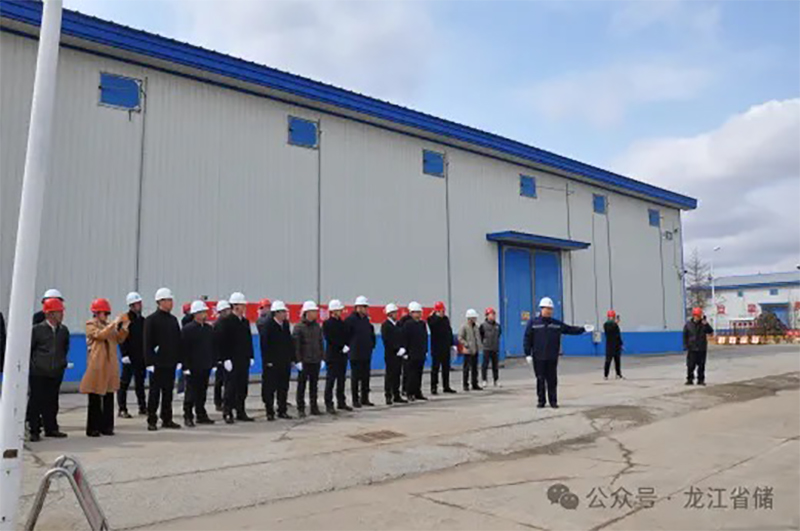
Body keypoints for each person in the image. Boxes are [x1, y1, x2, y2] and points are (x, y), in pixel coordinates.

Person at [523, 297, 588, 409]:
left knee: (552, 380)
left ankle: (553, 401)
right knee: (540, 379)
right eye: (546, 308)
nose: (548, 311)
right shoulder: (533, 323)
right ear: (541, 309)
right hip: (538, 357)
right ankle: (541, 401)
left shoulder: (556, 324)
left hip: (552, 357)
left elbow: (569, 329)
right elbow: (527, 338)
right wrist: (527, 353)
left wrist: (583, 329)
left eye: (550, 309)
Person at [80, 298, 129, 437]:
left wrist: (124, 327)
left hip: (110, 365)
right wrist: (114, 324)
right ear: (97, 313)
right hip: (97, 365)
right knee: (95, 397)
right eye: (104, 313)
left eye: (108, 313)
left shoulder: (109, 326)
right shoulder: (90, 325)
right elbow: (100, 335)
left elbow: (119, 339)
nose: (106, 316)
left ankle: (107, 427)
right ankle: (93, 428)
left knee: (109, 397)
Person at [27, 298, 70, 441]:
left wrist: (61, 364)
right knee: (36, 401)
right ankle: (34, 430)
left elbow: (64, 348)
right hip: (38, 372)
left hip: (56, 372)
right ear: (50, 314)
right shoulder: (37, 330)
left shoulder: (63, 331)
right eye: (59, 312)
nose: (62, 314)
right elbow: (30, 350)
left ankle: (51, 428)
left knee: (52, 401)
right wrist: (34, 365)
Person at [144, 287, 183, 431]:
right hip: (157, 363)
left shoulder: (173, 320)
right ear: (160, 302)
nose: (171, 303)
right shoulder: (151, 320)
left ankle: (167, 418)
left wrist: (179, 359)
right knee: (154, 392)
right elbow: (147, 343)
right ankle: (151, 420)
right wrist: (149, 362)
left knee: (168, 392)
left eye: (171, 300)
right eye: (168, 300)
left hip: (170, 362)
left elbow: (178, 341)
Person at [217, 292, 255, 423]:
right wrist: (225, 358)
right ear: (235, 306)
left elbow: (248, 340)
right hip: (231, 360)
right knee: (230, 387)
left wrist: (250, 355)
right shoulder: (226, 321)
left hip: (243, 359)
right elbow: (222, 341)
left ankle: (240, 411)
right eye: (242, 305)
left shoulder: (245, 322)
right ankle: (227, 411)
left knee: (242, 387)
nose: (244, 308)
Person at [181, 301, 216, 427]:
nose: (204, 314)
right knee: (191, 392)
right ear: (195, 314)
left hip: (205, 365)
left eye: (205, 312)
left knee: (202, 391)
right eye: (202, 312)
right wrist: (185, 366)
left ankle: (201, 414)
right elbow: (184, 349)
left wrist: (213, 362)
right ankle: (188, 415)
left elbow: (212, 347)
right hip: (192, 366)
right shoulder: (187, 329)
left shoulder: (208, 329)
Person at [260, 300, 293, 421]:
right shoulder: (268, 326)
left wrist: (292, 358)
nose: (285, 314)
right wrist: (268, 361)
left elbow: (289, 342)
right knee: (270, 388)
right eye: (283, 312)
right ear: (276, 313)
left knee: (283, 387)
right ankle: (269, 411)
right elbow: (264, 345)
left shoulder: (285, 325)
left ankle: (282, 410)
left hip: (284, 362)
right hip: (272, 363)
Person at [293, 301, 325, 418]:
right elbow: (296, 346)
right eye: (313, 311)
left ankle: (314, 407)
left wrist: (322, 357)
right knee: (301, 385)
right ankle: (301, 408)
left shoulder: (317, 327)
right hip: (304, 361)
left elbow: (320, 343)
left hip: (315, 360)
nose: (315, 314)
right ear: (307, 312)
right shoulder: (298, 327)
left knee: (314, 385)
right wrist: (298, 361)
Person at [118, 292, 146, 418]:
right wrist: (124, 354)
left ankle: (142, 407)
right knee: (124, 383)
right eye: (137, 303)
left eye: (140, 303)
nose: (140, 305)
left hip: (140, 357)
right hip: (129, 357)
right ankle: (122, 408)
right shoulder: (125, 320)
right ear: (131, 305)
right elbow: (121, 338)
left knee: (140, 383)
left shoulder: (142, 320)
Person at [346, 296, 376, 408]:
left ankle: (365, 398)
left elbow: (371, 334)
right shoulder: (350, 320)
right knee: (355, 377)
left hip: (366, 353)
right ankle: (355, 399)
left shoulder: (366, 320)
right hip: (355, 353)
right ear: (357, 307)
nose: (365, 309)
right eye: (364, 307)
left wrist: (371, 345)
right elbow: (347, 335)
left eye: (366, 307)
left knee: (365, 377)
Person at [323, 299, 352, 413]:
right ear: (333, 311)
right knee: (331, 380)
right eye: (338, 310)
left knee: (341, 380)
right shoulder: (327, 324)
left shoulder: (343, 323)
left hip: (342, 356)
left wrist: (347, 345)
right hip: (332, 356)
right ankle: (329, 403)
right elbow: (330, 338)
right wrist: (341, 346)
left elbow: (347, 335)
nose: (340, 312)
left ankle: (341, 402)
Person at [427, 301, 457, 395]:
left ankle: (446, 386)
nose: (443, 312)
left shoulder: (446, 319)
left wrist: (452, 344)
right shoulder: (432, 320)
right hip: (437, 348)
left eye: (443, 310)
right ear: (436, 311)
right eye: (441, 311)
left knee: (446, 368)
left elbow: (449, 331)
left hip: (446, 348)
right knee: (435, 369)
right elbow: (431, 325)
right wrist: (434, 316)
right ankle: (434, 387)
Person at [402, 301, 428, 401]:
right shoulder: (407, 324)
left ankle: (418, 392)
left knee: (418, 374)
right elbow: (405, 338)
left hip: (420, 352)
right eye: (416, 312)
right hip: (411, 353)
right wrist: (405, 352)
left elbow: (424, 338)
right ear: (411, 313)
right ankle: (410, 392)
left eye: (419, 312)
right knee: (411, 374)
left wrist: (425, 350)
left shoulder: (422, 324)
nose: (418, 314)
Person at [381, 303, 407, 405]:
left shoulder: (399, 324)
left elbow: (402, 336)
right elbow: (387, 340)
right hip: (390, 354)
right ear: (389, 314)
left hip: (399, 354)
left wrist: (403, 348)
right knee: (390, 375)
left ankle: (396, 395)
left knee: (397, 374)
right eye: (394, 312)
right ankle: (388, 395)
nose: (397, 314)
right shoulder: (386, 325)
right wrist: (396, 348)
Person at [684, 307, 714, 386]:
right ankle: (690, 379)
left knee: (701, 365)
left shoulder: (703, 324)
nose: (697, 317)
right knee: (690, 365)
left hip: (701, 348)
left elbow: (710, 331)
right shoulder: (688, 325)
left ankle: (700, 380)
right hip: (692, 348)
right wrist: (686, 345)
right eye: (696, 316)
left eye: (699, 316)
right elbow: (685, 335)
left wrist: (706, 324)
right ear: (693, 315)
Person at [212, 299, 232, 411]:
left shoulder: (229, 323)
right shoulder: (218, 325)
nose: (228, 312)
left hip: (228, 357)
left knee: (228, 381)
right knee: (219, 381)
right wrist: (218, 359)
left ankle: (226, 401)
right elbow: (216, 343)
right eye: (226, 310)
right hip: (220, 358)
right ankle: (218, 402)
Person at [458, 309, 483, 391]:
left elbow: (478, 337)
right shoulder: (464, 327)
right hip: (467, 351)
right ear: (470, 318)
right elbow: (460, 338)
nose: (475, 319)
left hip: (475, 350)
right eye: (474, 317)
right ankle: (465, 384)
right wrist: (466, 344)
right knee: (466, 369)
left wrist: (479, 346)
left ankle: (474, 383)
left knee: (475, 369)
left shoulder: (476, 327)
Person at [479, 307, 502, 387]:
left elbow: (499, 334)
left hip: (495, 348)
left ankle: (496, 380)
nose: (493, 316)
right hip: (486, 348)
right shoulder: (483, 326)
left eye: (493, 314)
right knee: (485, 365)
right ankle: (484, 380)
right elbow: (481, 336)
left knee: (495, 365)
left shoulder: (497, 326)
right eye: (491, 314)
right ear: (487, 316)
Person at [603, 310, 624, 380]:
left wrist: (621, 344)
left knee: (617, 360)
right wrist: (615, 323)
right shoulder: (606, 325)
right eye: (611, 316)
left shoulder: (615, 325)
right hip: (610, 345)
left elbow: (618, 335)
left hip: (616, 345)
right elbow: (609, 329)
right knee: (608, 361)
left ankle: (618, 374)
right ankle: (606, 375)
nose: (611, 318)